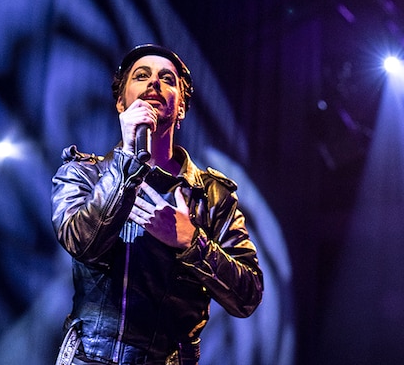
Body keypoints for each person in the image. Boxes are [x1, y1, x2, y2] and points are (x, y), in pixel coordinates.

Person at [51, 44, 263, 365]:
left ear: (180, 108)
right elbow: (82, 242)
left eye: (167, 79)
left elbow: (247, 295)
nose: (154, 83)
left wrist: (192, 242)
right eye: (141, 76)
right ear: (121, 101)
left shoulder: (213, 195)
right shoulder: (83, 173)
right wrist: (126, 164)